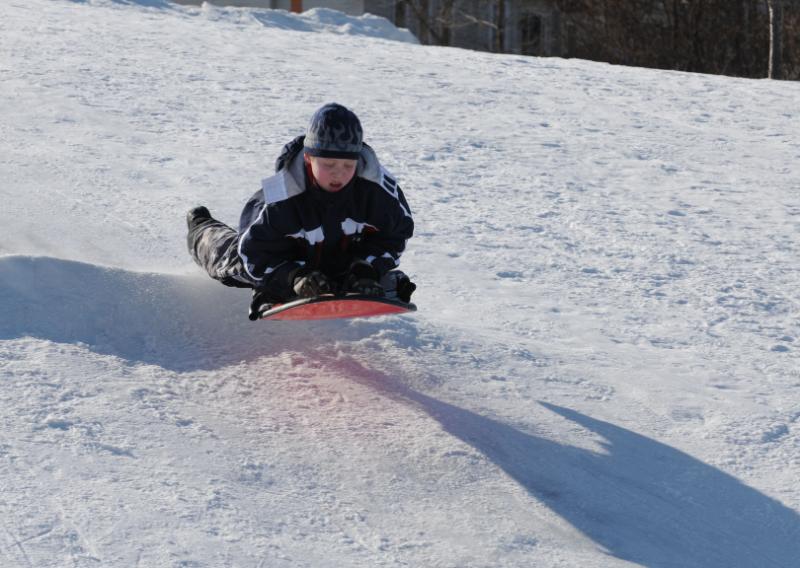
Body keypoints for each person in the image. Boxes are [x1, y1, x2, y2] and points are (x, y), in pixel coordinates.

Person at [186, 103, 416, 319]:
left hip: (345, 256)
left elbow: (395, 234)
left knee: (378, 279)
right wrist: (292, 276)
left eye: (348, 166)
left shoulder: (376, 191)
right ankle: (201, 227)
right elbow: (253, 252)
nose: (339, 174)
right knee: (228, 261)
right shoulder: (281, 197)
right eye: (328, 165)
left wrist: (367, 268)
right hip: (287, 256)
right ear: (309, 158)